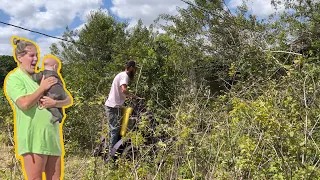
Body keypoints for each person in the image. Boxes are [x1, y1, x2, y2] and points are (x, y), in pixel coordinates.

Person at [4, 37, 72, 180]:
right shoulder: (15, 78)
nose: (36, 59)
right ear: (19, 57)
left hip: (52, 138)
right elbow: (23, 103)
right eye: (31, 55)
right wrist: (42, 88)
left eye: (37, 55)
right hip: (33, 140)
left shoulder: (42, 76)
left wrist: (54, 103)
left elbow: (68, 99)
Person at [104, 60, 143, 159]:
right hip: (113, 107)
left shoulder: (121, 75)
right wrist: (132, 96)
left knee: (113, 130)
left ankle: (109, 151)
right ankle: (111, 156)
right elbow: (124, 89)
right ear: (131, 68)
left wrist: (131, 97)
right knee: (115, 130)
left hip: (114, 106)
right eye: (134, 69)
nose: (135, 71)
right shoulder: (124, 76)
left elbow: (122, 92)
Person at [32, 57, 67, 124]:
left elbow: (35, 78)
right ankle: (61, 115)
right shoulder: (56, 75)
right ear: (55, 66)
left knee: (49, 104)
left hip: (52, 93)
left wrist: (33, 75)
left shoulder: (43, 73)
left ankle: (57, 116)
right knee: (58, 104)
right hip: (60, 91)